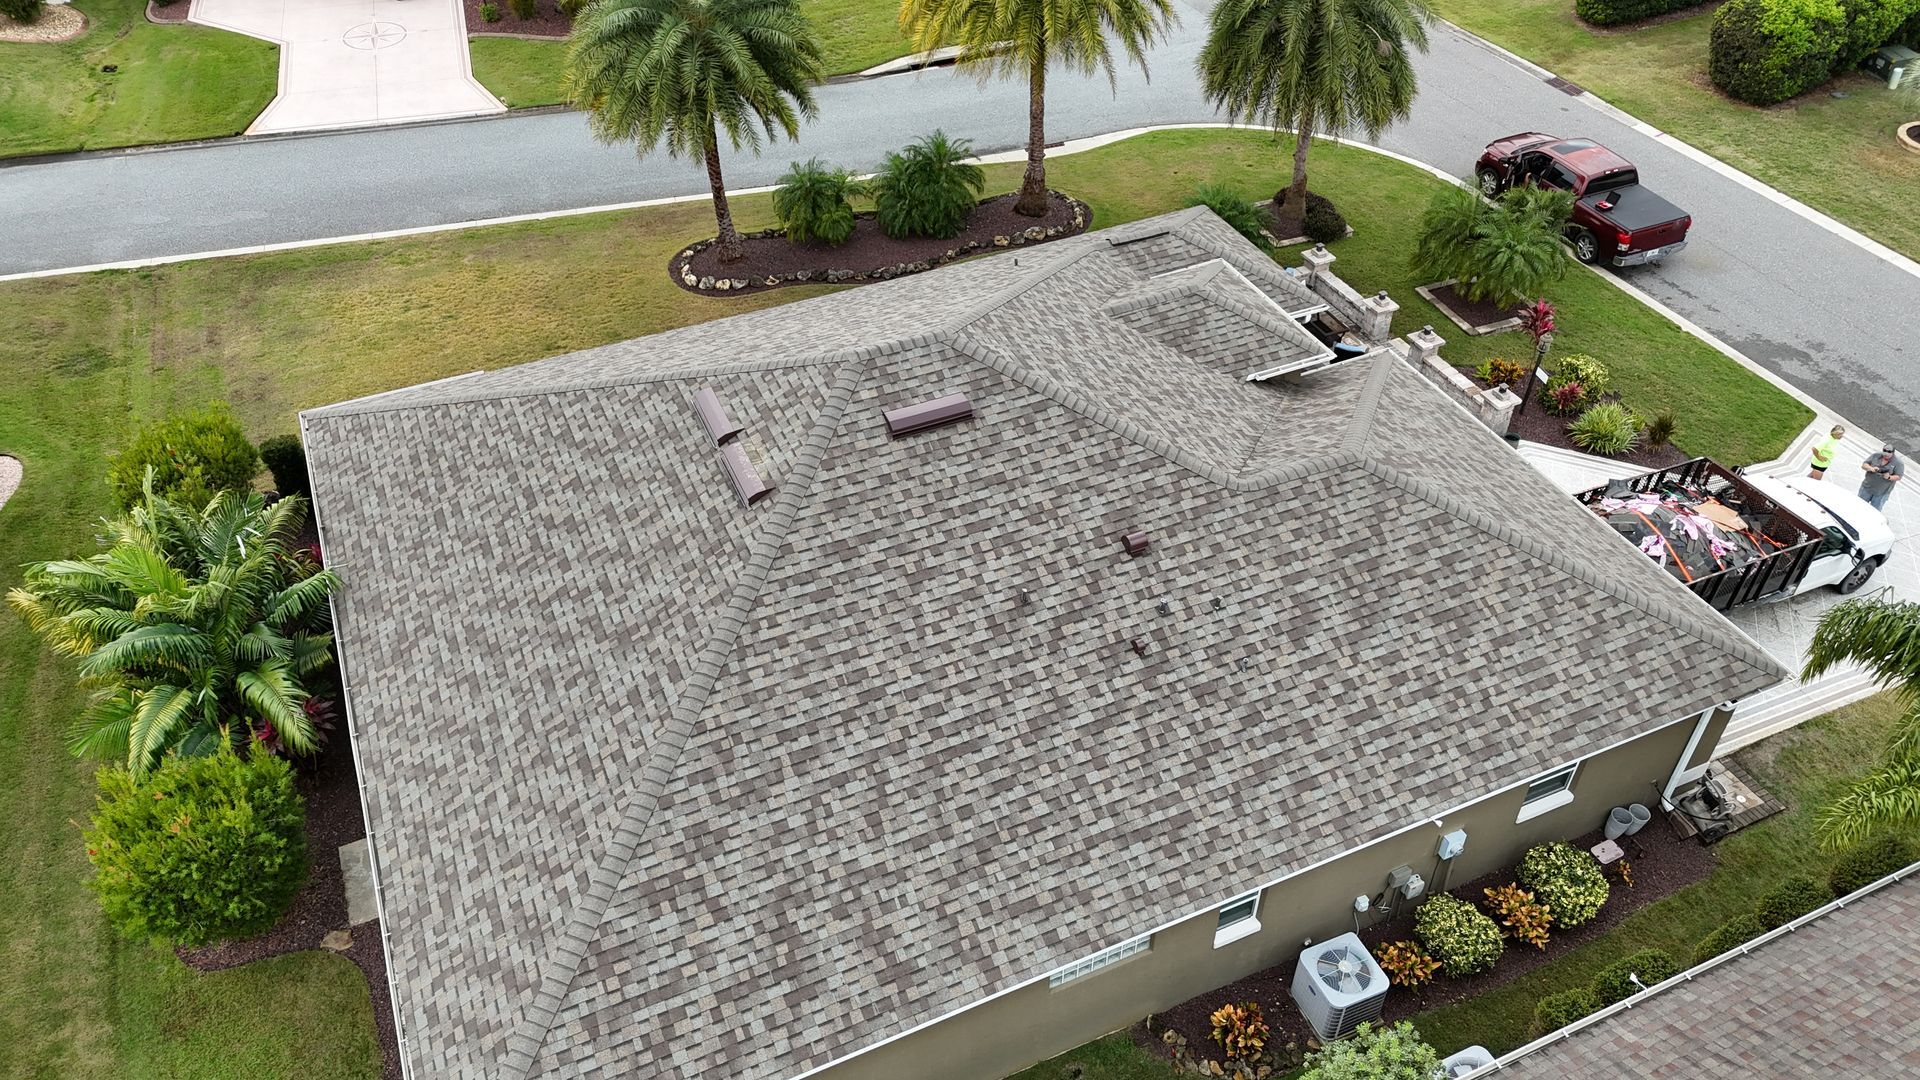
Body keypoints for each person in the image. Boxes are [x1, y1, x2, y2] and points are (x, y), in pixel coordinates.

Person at [1858, 444, 1904, 511]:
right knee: (1859, 507)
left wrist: (1889, 477)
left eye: (1888, 453)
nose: (1886, 455)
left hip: (1881, 493)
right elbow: (1864, 465)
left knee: (1875, 512)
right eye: (1884, 452)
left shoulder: (1898, 463)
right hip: (1866, 488)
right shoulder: (1875, 455)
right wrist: (1871, 468)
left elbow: (1899, 476)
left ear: (1893, 453)